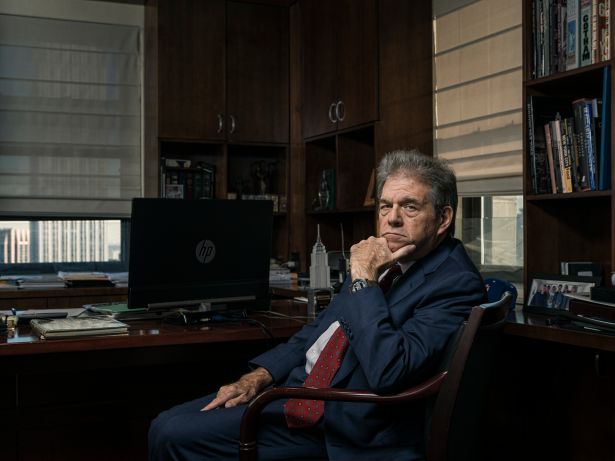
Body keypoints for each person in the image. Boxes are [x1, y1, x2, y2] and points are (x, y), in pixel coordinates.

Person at [148, 149, 486, 461]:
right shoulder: (397, 262)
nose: (392, 219)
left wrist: (363, 279)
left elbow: (390, 371)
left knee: (172, 435)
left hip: (342, 422)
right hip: (299, 391)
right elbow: (320, 330)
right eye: (385, 206)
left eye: (409, 206)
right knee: (165, 421)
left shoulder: (454, 283)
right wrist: (260, 377)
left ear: (443, 218)